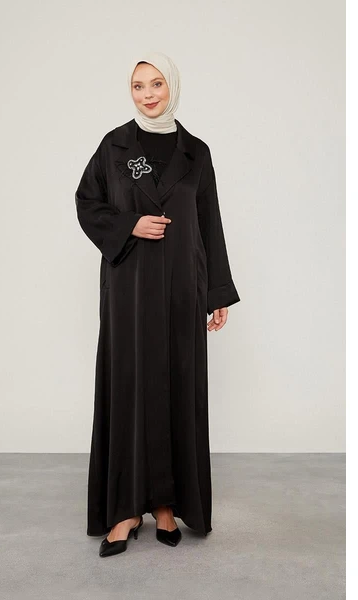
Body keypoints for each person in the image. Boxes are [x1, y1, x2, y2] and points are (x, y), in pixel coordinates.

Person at [75, 51, 241, 558]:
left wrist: (217, 292)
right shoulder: (114, 146)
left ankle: (166, 505)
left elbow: (209, 221)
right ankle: (126, 510)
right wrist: (130, 225)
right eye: (138, 86)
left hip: (181, 289)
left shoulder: (197, 152)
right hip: (129, 288)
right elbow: (87, 203)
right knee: (129, 387)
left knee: (175, 386)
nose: (147, 94)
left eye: (156, 84)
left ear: (172, 87)